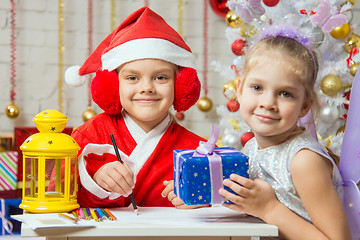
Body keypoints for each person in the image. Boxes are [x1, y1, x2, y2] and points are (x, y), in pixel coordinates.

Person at [218, 26, 352, 240]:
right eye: (257, 88)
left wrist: (270, 209)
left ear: (305, 105)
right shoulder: (251, 148)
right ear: (240, 89)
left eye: (285, 93)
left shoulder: (303, 161)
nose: (268, 103)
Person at [64, 7, 205, 208]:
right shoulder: (87, 136)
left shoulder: (200, 151)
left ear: (181, 85)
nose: (147, 88)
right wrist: (95, 182)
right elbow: (57, 196)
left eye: (161, 77)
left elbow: (227, 206)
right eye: (132, 78)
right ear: (112, 85)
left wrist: (201, 200)